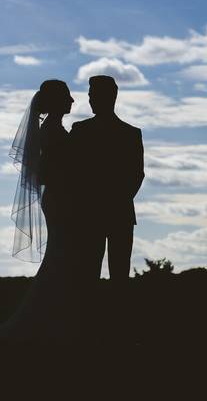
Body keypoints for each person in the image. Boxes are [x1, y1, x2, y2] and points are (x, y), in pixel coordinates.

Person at [0, 79, 78, 340]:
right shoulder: (52, 131)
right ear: (56, 102)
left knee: (59, 257)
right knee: (59, 257)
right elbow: (47, 173)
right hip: (60, 200)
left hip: (58, 198)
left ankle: (50, 316)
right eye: (67, 96)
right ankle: (46, 320)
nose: (72, 101)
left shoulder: (52, 129)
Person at [70, 75, 145, 283]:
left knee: (118, 272)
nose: (91, 100)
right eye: (90, 95)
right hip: (96, 212)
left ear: (111, 97)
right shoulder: (81, 130)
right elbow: (72, 171)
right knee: (88, 272)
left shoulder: (130, 134)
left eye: (94, 95)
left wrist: (112, 199)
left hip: (111, 212)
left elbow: (137, 174)